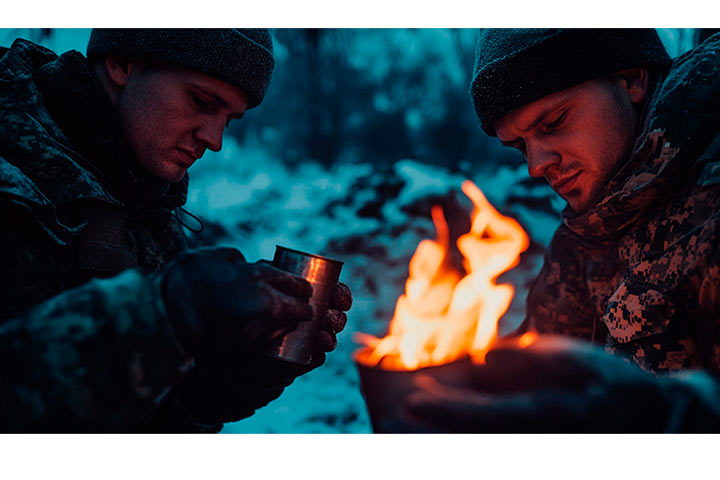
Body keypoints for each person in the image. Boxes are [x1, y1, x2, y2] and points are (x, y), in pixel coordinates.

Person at [0, 29, 351, 433]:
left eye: (229, 120)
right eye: (202, 102)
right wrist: (160, 315)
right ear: (122, 64)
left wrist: (218, 386)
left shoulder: (150, 207)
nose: (214, 140)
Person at [400, 28, 720, 432]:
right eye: (520, 146)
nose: (536, 166)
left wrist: (673, 420)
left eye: (553, 123)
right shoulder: (587, 236)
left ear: (631, 79)